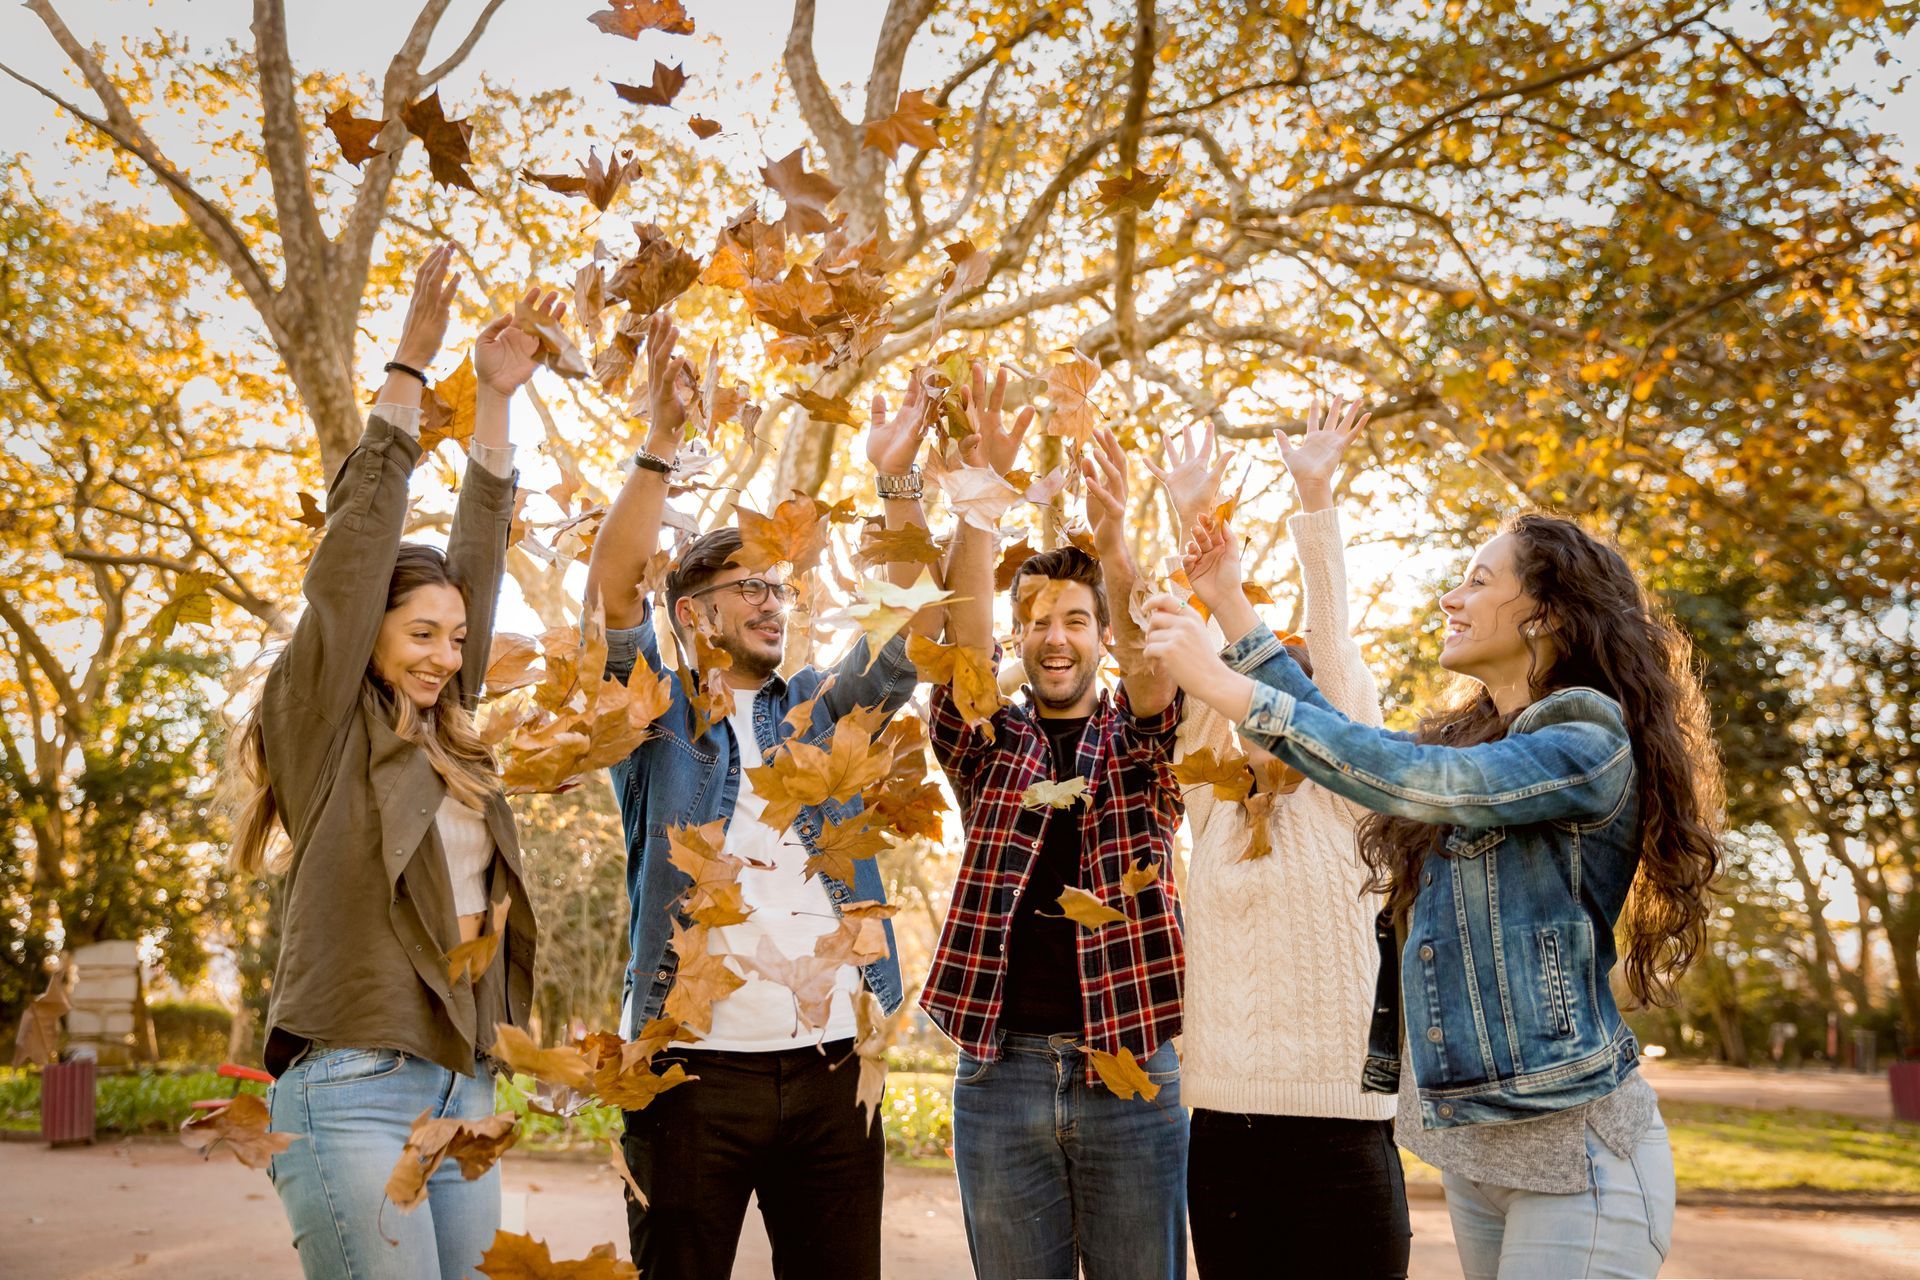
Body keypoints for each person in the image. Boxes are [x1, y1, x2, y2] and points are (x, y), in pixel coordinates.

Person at [1141, 493, 1723, 1280]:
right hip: (1480, 1165)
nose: (1452, 596)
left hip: (1579, 1161)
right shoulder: (1473, 743)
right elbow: (1347, 738)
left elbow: (1414, 776)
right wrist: (1229, 599)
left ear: (1546, 613)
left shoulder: (1587, 742)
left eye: (1479, 581)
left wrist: (1218, 681)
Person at [581, 317, 944, 1280]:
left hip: (833, 1071)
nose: (773, 602)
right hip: (687, 1075)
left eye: (779, 586)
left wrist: (898, 478)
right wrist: (658, 443)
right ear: (693, 612)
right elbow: (613, 590)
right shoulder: (655, 716)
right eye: (749, 586)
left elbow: (905, 631)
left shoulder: (821, 710)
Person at [226, 244, 556, 1279]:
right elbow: (354, 554)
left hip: (459, 1087)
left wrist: (497, 402)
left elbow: (480, 557)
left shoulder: (450, 734)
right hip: (350, 1085)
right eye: (420, 633)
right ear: (369, 633)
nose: (446, 655)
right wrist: (411, 373)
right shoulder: (324, 723)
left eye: (456, 639)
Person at [922, 366, 1188, 1280]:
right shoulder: (990, 741)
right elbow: (958, 649)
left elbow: (1158, 679)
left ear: (1101, 634)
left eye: (1077, 619)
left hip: (1132, 1067)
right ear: (1019, 636)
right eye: (1036, 621)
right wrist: (981, 503)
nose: (1057, 637)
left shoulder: (1139, 744)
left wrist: (1115, 541)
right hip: (1002, 1074)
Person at [1152, 405, 1411, 1278]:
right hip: (1223, 1132)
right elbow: (1188, 640)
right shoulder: (1213, 801)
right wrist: (1194, 513)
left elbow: (1330, 644)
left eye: (1281, 683)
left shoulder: (1353, 800)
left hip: (1345, 1127)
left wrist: (1315, 492)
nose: (1260, 697)